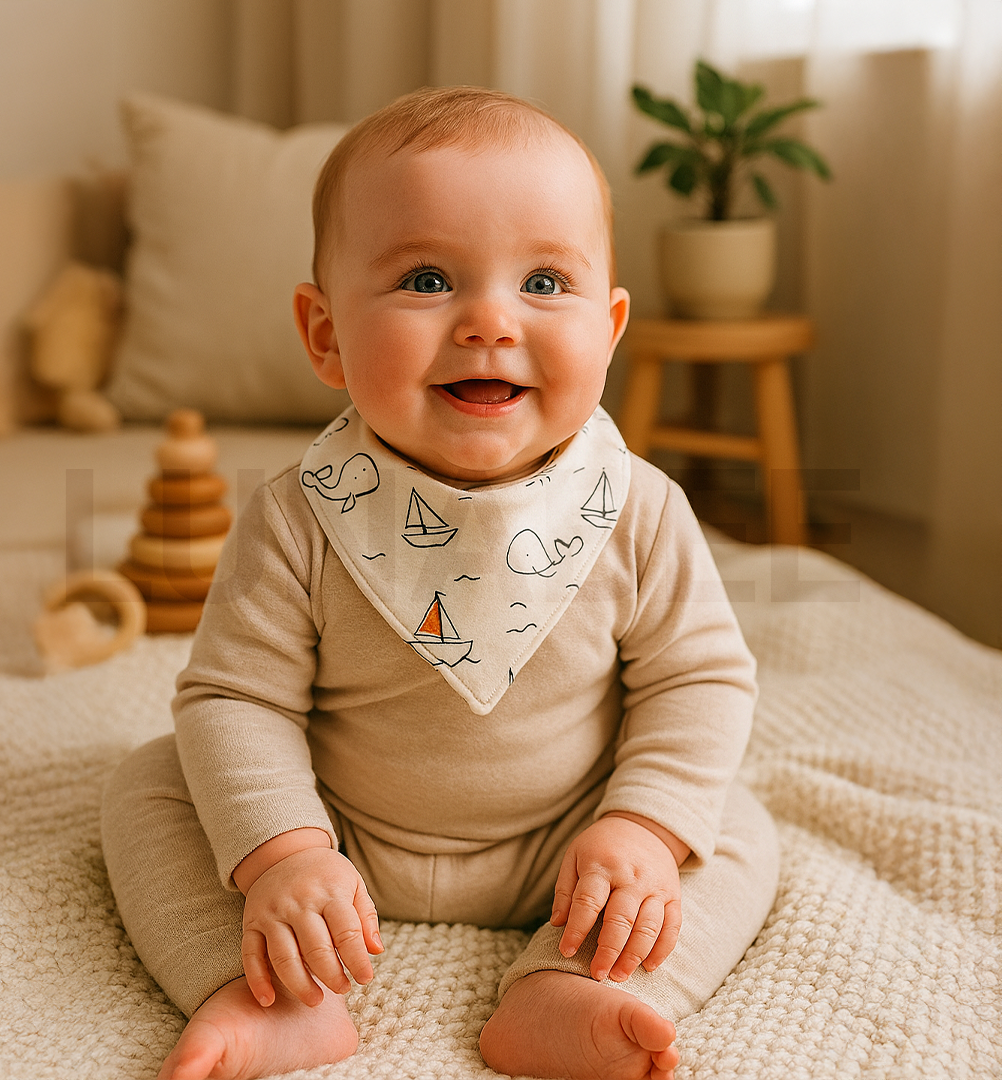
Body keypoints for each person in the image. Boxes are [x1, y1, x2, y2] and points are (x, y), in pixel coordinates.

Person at [102, 85, 779, 1080]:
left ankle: (575, 987)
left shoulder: (636, 509)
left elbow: (700, 679)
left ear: (609, 328)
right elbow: (236, 698)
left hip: (571, 842)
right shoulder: (298, 515)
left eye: (544, 282)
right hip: (341, 840)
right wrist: (285, 854)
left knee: (729, 829)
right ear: (325, 334)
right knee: (152, 788)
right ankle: (269, 993)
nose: (490, 321)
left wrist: (639, 828)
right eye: (427, 278)